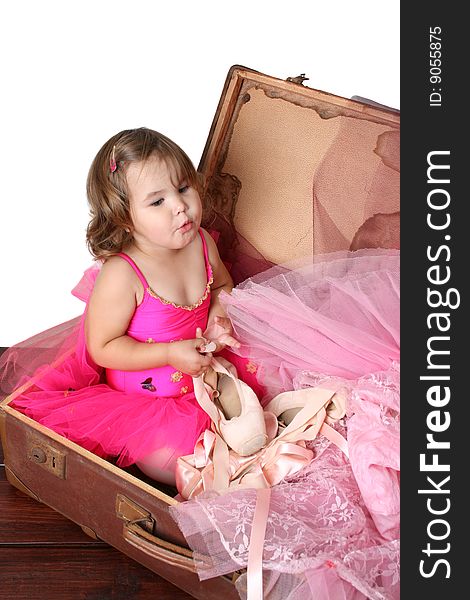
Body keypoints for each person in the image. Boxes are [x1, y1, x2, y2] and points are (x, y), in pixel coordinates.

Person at [6, 127, 264, 485]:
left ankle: (250, 453)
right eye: (157, 201)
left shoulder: (201, 242)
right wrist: (170, 354)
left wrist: (219, 318)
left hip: (206, 371)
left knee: (269, 386)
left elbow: (221, 285)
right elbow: (103, 348)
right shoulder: (123, 274)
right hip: (149, 401)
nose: (179, 206)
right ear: (125, 218)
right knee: (173, 460)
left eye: (184, 188)